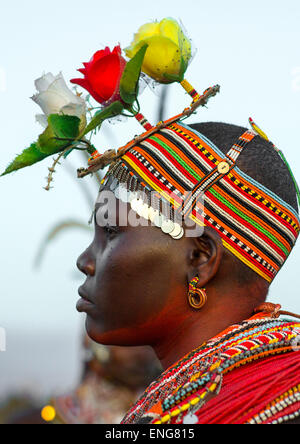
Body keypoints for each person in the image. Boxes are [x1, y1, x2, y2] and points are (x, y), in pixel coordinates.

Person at [76, 119, 300, 425]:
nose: (85, 261)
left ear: (199, 258)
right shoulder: (181, 397)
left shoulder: (275, 393)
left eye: (111, 232)